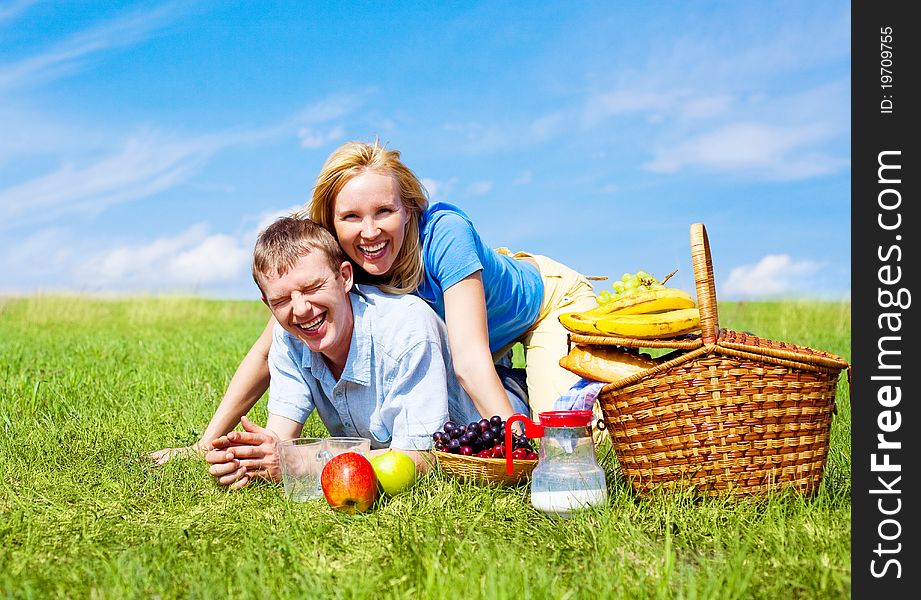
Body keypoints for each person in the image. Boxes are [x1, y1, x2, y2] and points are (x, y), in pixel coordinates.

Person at [151, 140, 594, 465]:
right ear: (331, 222)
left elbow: (469, 362)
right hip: (464, 341)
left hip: (545, 306)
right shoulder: (344, 259)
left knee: (572, 440)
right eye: (350, 217)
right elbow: (269, 349)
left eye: (384, 211)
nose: (369, 231)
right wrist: (207, 443)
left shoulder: (445, 236)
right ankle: (517, 395)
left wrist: (523, 453)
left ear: (409, 209)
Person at [206, 216, 525, 489]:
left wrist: (301, 462)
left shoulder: (406, 326)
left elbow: (422, 457)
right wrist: (249, 458)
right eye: (282, 300)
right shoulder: (288, 339)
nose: (301, 309)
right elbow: (281, 441)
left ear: (344, 278)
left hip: (498, 416)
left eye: (312, 288)